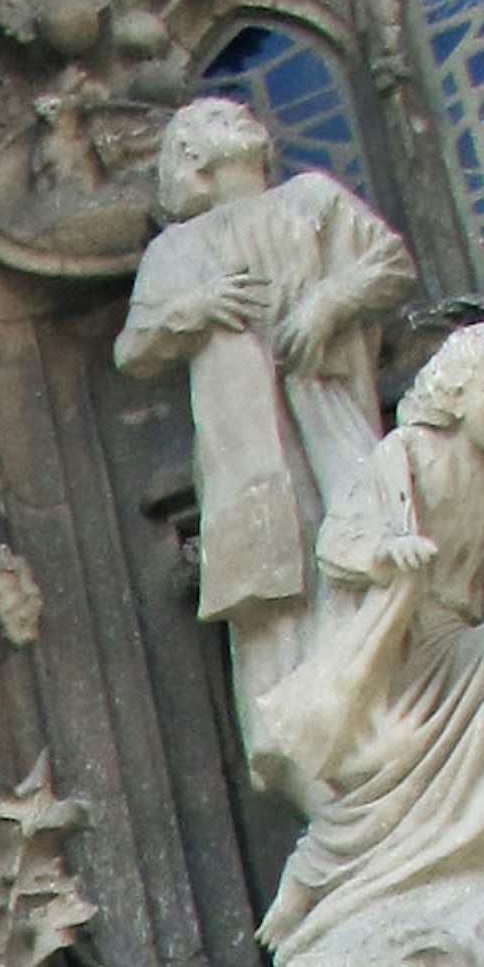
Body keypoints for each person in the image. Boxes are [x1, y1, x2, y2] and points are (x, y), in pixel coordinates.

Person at [253, 322, 484, 967]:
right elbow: (341, 538)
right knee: (388, 780)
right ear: (456, 393)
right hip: (403, 648)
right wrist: (384, 551)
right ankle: (318, 872)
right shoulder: (408, 455)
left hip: (460, 644)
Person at [111, 96, 413, 746]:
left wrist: (331, 301)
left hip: (329, 409)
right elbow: (133, 348)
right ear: (187, 160)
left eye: (235, 116)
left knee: (368, 544)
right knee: (274, 588)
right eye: (208, 126)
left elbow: (391, 265)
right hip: (247, 451)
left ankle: (394, 721)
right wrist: (191, 309)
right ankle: (304, 744)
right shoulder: (177, 248)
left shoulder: (312, 198)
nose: (234, 124)